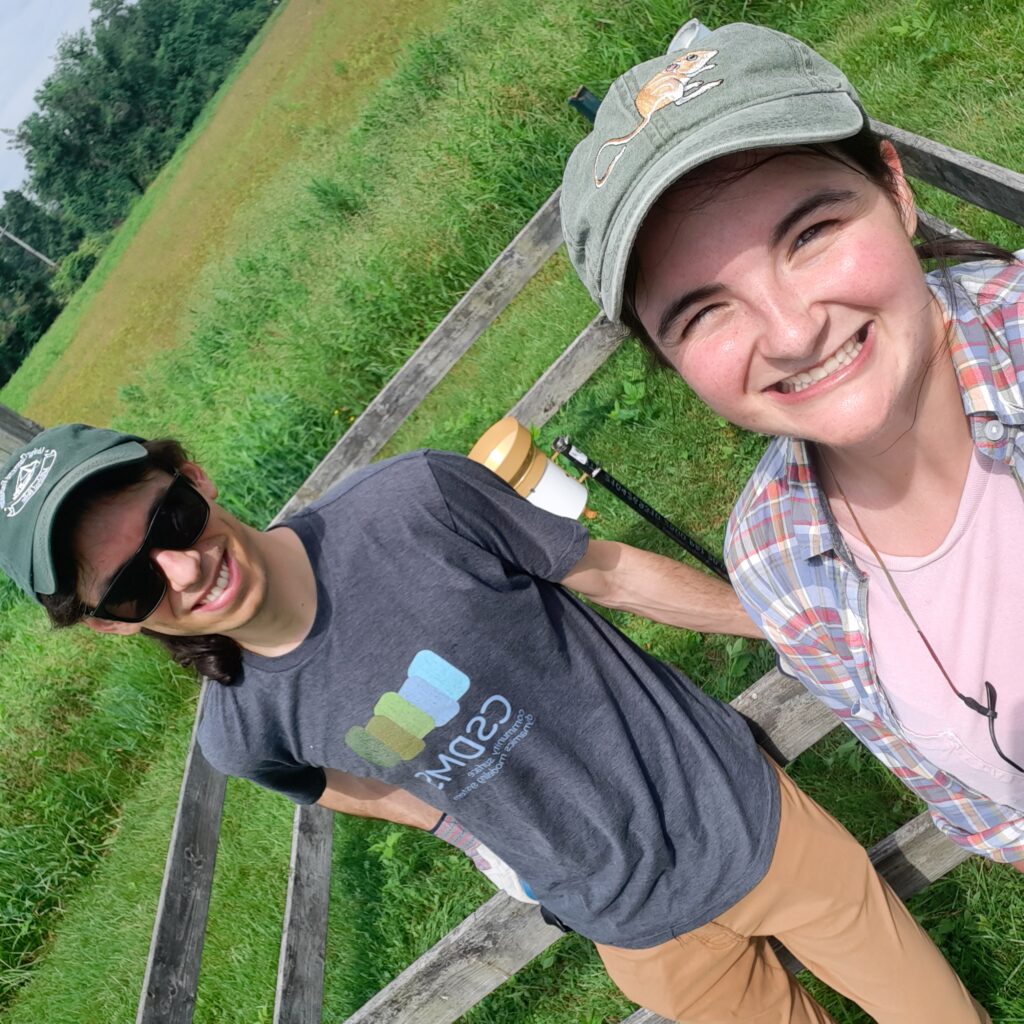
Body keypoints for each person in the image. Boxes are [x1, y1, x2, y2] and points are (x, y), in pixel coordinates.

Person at [0, 422, 988, 1023]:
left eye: (169, 523)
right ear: (104, 623)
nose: (184, 570)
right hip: (638, 937)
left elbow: (606, 571)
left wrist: (804, 626)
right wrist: (452, 824)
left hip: (747, 822)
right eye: (132, 584)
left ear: (196, 480)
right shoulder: (239, 731)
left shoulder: (417, 499)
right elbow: (330, 782)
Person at [563, 10, 1024, 1013]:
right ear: (671, 361)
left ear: (894, 191)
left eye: (809, 233)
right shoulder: (773, 557)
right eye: (702, 309)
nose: (787, 329)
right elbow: (962, 793)